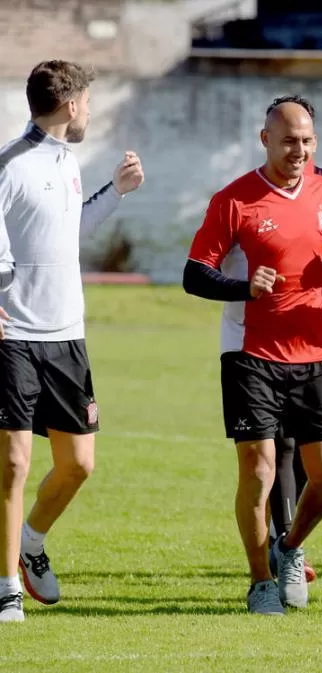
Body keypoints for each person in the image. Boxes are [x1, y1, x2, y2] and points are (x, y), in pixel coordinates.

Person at [182, 99, 322, 615]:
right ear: (265, 140)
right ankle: (261, 581)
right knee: (259, 471)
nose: (298, 150)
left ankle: (289, 545)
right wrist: (244, 286)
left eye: (307, 141)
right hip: (250, 353)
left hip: (315, 350)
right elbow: (195, 273)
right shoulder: (233, 200)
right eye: (288, 141)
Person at [0, 60, 144, 623]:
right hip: (13, 334)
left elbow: (71, 228)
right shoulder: (10, 166)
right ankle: (6, 584)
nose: (89, 110)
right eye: (87, 100)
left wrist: (117, 191)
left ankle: (31, 542)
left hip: (68, 337)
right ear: (70, 104)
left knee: (79, 465)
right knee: (14, 461)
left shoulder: (68, 161)